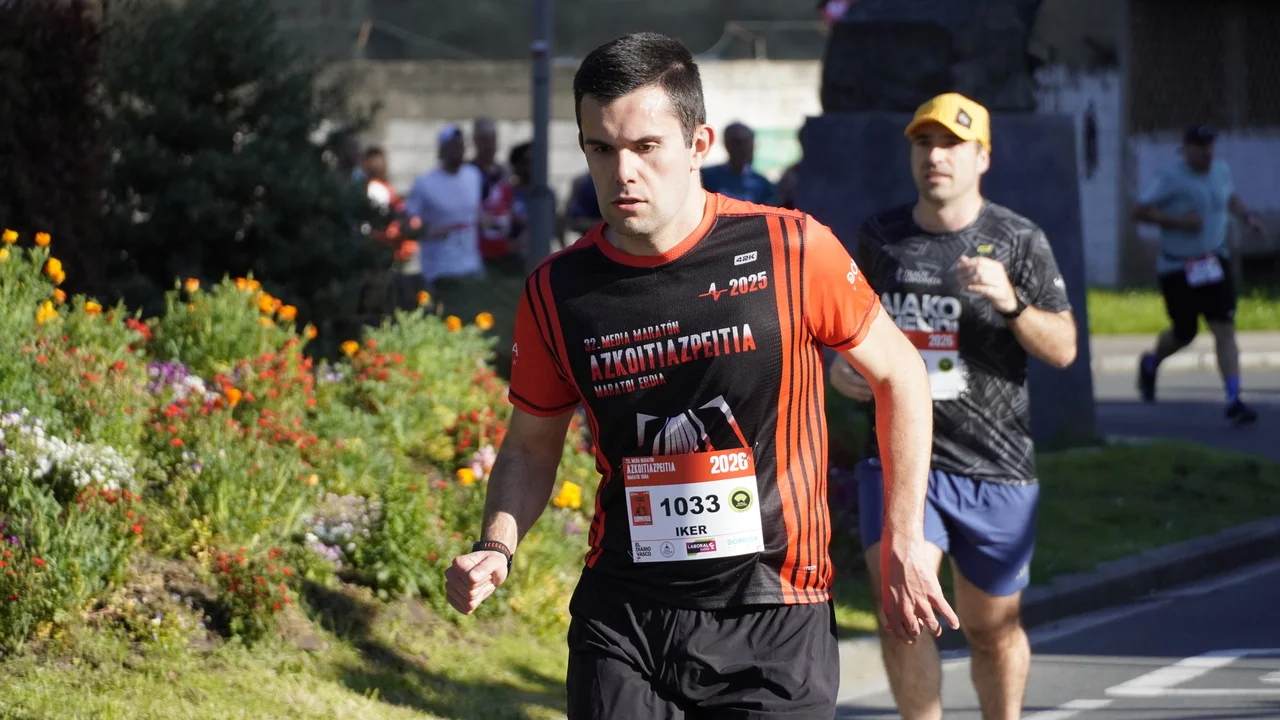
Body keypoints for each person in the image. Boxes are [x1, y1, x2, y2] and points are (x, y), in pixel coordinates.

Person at [444, 32, 956, 719]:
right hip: (624, 617)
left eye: (645, 146)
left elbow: (901, 376)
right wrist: (496, 546)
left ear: (698, 144)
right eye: (601, 149)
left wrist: (903, 538)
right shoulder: (557, 291)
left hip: (774, 612)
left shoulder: (790, 247)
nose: (622, 172)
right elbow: (531, 447)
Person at [830, 92, 1078, 720]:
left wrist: (1012, 303)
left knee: (991, 629)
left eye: (950, 144)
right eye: (923, 142)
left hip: (994, 464)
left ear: (982, 157)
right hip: (899, 459)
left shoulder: (1018, 239)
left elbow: (1064, 350)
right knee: (901, 613)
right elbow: (852, 336)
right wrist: (843, 368)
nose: (935, 156)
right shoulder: (881, 238)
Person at [1134, 124, 1264, 425]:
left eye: (1211, 145)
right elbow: (1139, 211)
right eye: (1201, 146)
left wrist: (1247, 217)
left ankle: (1234, 399)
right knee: (1184, 333)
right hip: (1178, 268)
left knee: (1224, 328)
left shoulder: (1221, 170)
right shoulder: (1169, 178)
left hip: (1214, 262)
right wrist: (1178, 221)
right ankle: (1151, 363)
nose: (1208, 152)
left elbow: (1229, 196)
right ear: (1187, 149)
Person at [405, 124, 485, 291]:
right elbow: (406, 224)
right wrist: (428, 231)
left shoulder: (473, 176)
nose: (458, 150)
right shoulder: (424, 184)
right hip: (440, 271)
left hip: (472, 267)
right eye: (453, 146)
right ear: (442, 150)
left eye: (461, 145)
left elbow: (475, 211)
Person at [700, 122, 778, 205]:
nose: (743, 148)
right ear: (726, 144)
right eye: (737, 142)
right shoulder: (707, 177)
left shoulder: (763, 184)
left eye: (746, 142)